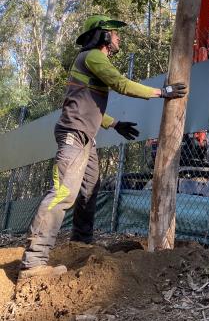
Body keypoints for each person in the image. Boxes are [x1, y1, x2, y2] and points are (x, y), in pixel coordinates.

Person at [18, 15, 187, 280]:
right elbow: (120, 83)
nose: (118, 38)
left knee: (89, 190)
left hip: (86, 136)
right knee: (63, 192)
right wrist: (161, 92)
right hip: (75, 135)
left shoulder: (89, 62)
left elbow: (83, 102)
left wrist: (114, 123)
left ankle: (81, 243)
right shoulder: (93, 56)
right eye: (115, 33)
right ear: (104, 35)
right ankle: (33, 262)